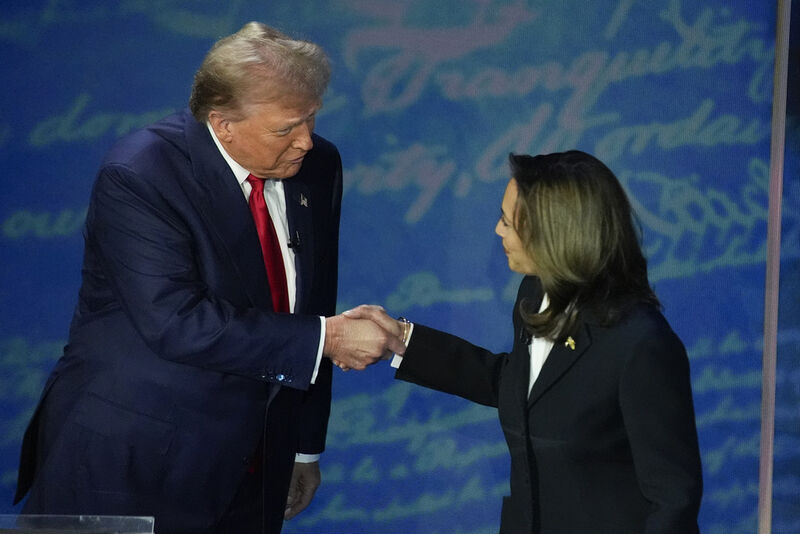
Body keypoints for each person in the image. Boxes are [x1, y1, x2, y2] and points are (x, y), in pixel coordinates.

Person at [14, 22, 404, 534]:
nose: (306, 141)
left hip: (258, 461)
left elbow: (312, 299)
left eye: (310, 118)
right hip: (135, 460)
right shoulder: (141, 174)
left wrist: (304, 445)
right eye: (286, 128)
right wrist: (329, 339)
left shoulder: (318, 164)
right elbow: (176, 321)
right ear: (221, 124)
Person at [350, 150, 703, 533]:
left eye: (507, 221)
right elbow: (521, 387)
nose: (498, 231)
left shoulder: (640, 344)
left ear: (554, 234)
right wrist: (402, 340)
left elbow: (673, 501)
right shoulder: (534, 294)